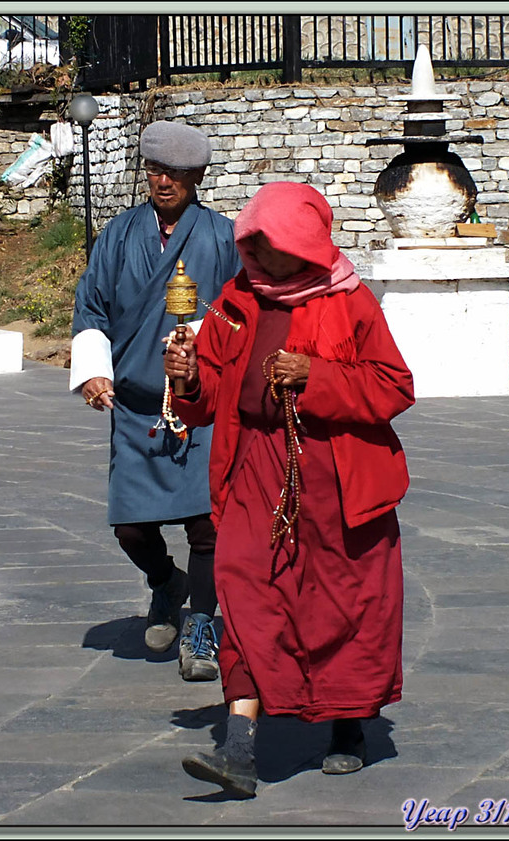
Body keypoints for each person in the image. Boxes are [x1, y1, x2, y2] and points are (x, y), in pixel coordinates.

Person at [164, 181, 415, 797]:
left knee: (340, 605)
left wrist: (317, 374)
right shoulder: (235, 300)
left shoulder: (350, 301)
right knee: (245, 587)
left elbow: (393, 386)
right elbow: (215, 391)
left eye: (271, 246)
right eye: (252, 245)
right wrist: (191, 378)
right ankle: (240, 746)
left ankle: (349, 725)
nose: (261, 259)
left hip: (336, 476)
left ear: (305, 244)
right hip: (255, 468)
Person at [69, 121, 241, 682]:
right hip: (137, 405)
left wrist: (205, 330)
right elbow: (92, 307)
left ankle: (201, 622)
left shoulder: (222, 237)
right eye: (156, 170)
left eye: (177, 173)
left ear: (196, 178)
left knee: (206, 526)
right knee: (130, 527)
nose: (163, 181)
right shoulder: (118, 235)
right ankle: (166, 582)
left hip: (202, 403)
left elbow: (242, 309)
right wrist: (94, 371)